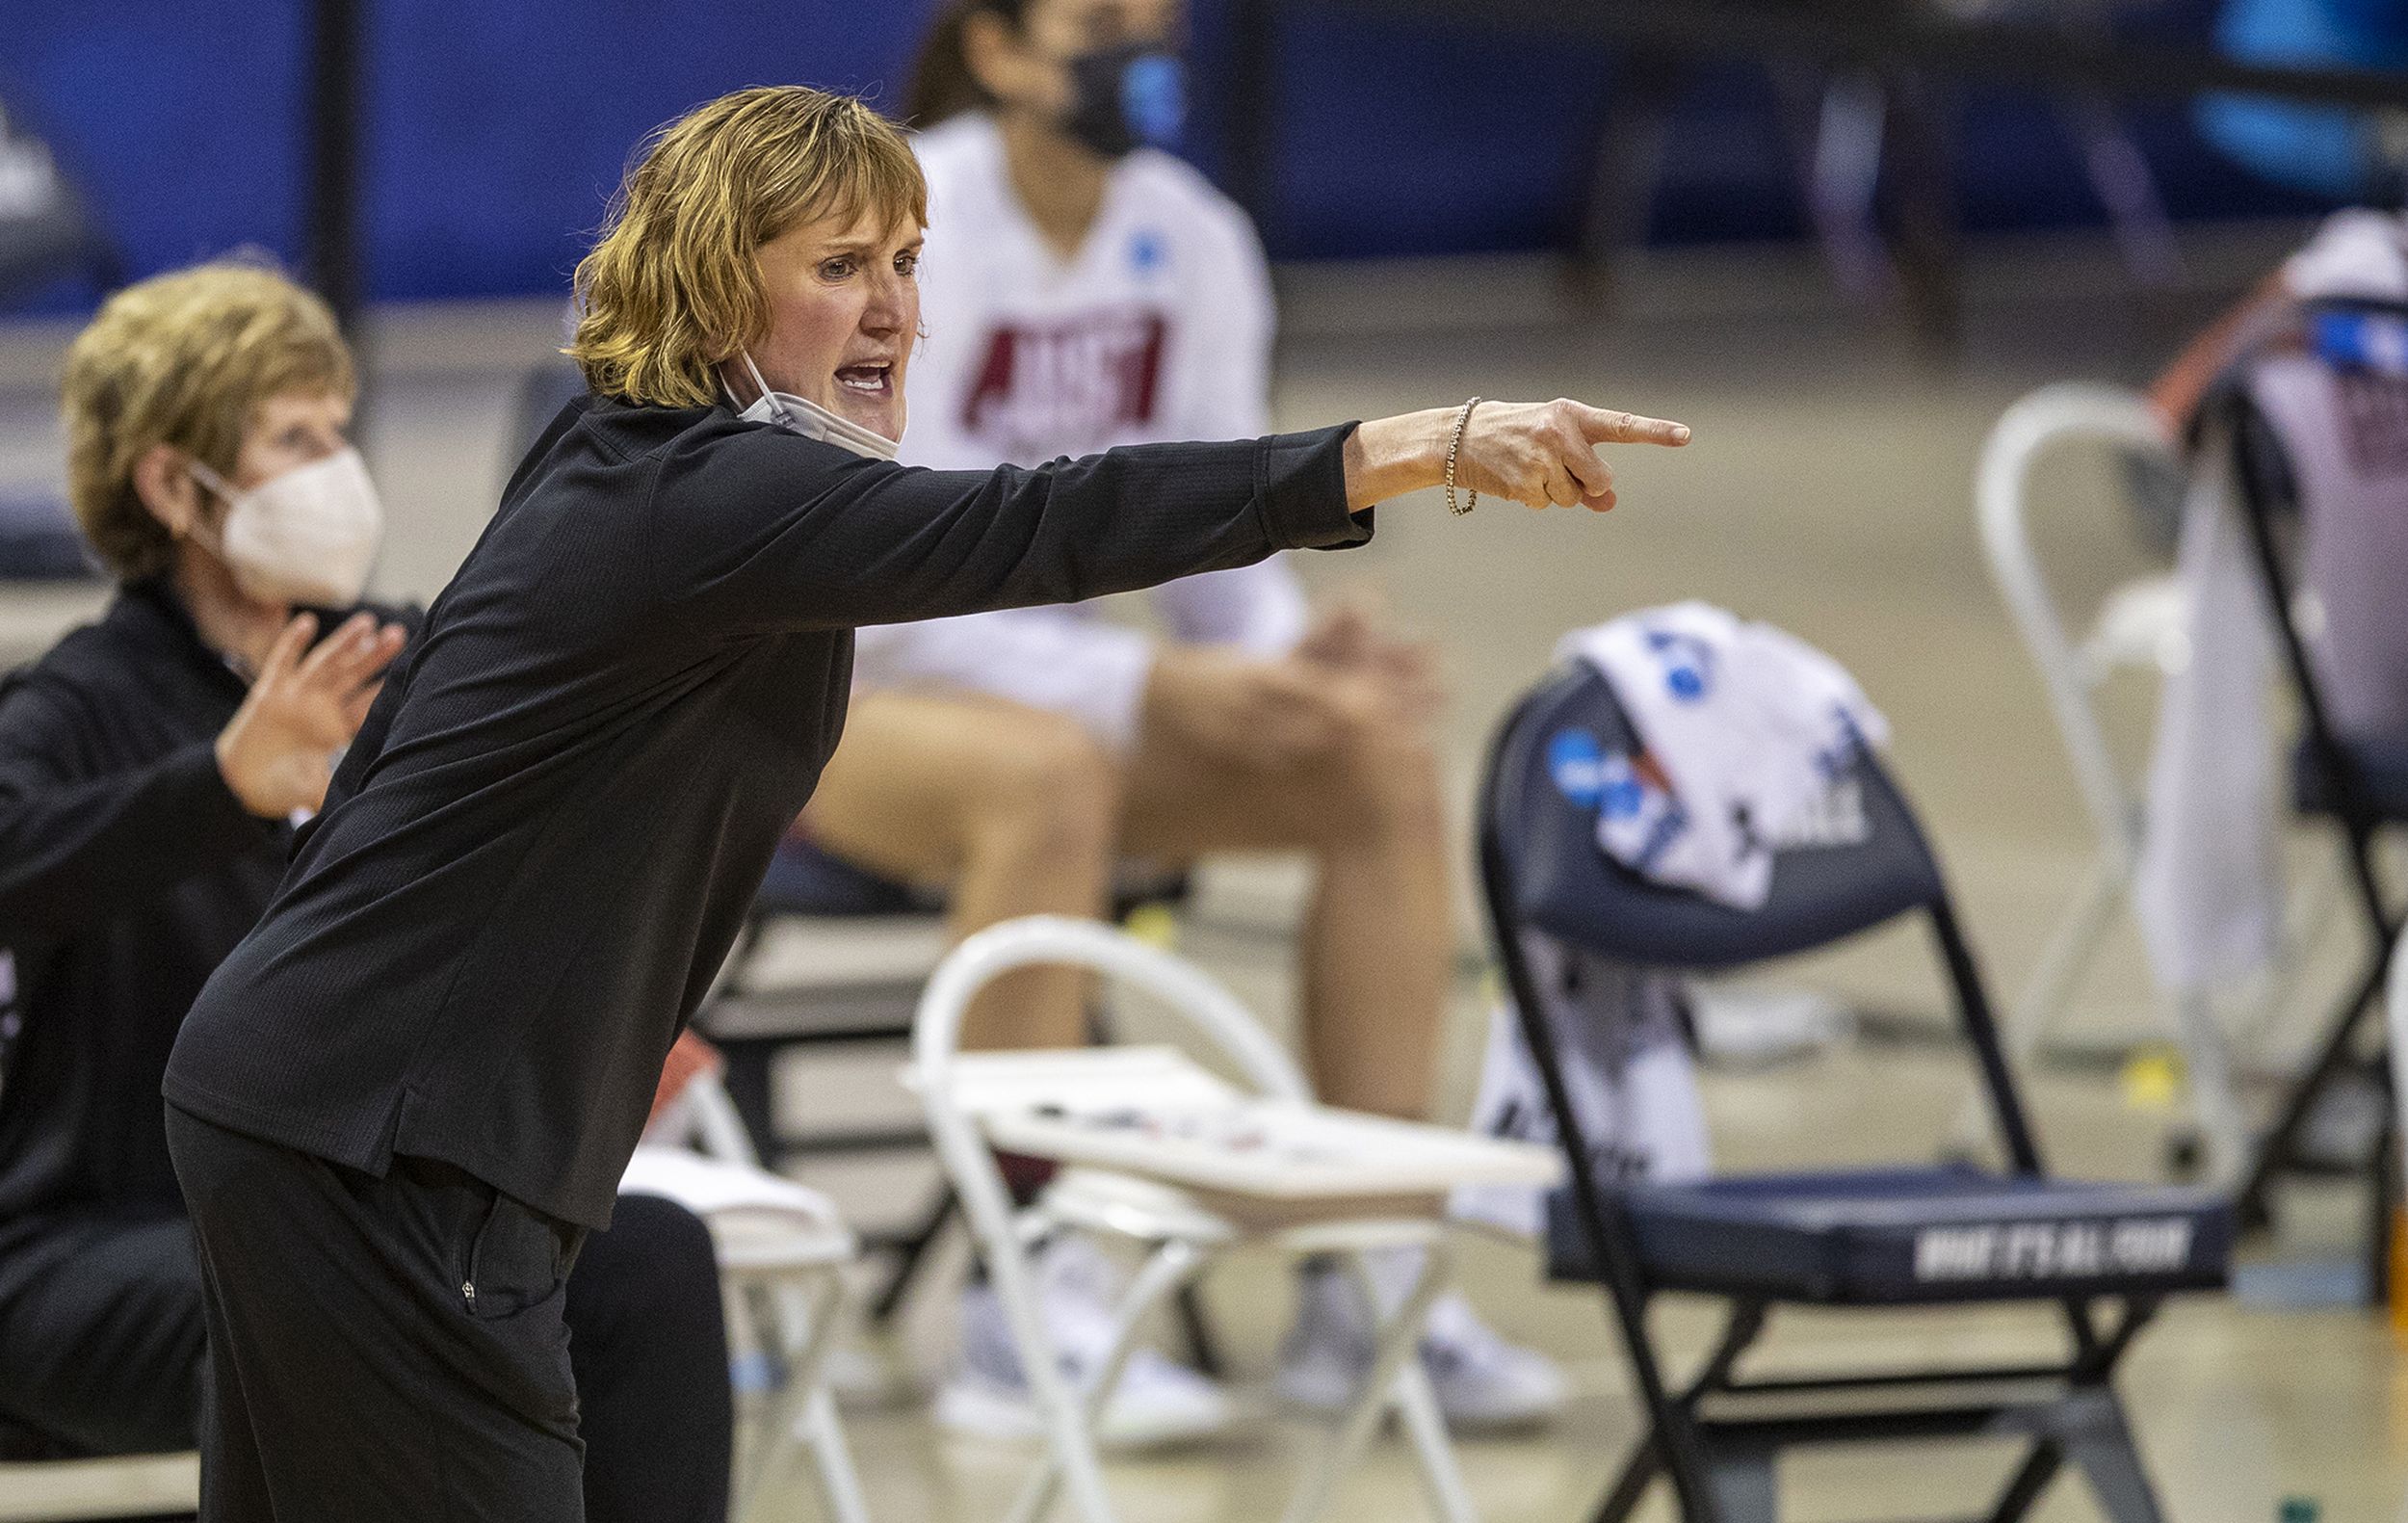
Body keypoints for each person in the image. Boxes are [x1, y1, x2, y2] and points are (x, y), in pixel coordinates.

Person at [157, 85, 1687, 1521]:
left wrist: (583, 998)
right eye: (838, 264)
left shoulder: (640, 458)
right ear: (709, 289)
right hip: (382, 1147)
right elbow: (1041, 521)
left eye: (905, 258)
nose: (892, 304)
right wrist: (1406, 449)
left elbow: (406, 750)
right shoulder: (721, 499)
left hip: (310, 1097)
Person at [794, 0, 1561, 1441]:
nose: (1142, 53)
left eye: (1161, 22)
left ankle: (1367, 1268)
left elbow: (1221, 562)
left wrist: (1286, 668)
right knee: (1051, 779)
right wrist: (1154, 686)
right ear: (1004, 48)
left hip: (1057, 697)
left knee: (1371, 758)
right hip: (837, 696)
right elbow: (891, 572)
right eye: (1101, 22)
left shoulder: (1195, 236)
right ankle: (1024, 1296)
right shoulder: (903, 223)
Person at [0, 261, 734, 1523]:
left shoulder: (399, 658)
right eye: (293, 439)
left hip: (361, 1199)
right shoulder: (77, 704)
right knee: (332, 1293)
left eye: (337, 431)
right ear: (174, 485)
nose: (336, 466)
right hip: (77, 1246)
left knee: (650, 1262)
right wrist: (215, 788)